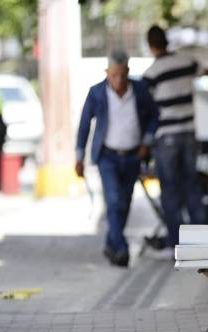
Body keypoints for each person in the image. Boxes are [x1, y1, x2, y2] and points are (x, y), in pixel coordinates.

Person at [142, 25, 208, 258]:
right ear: (167, 41)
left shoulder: (150, 75)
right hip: (190, 134)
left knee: (170, 190)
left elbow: (147, 111)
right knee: (192, 185)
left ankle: (176, 244)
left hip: (166, 137)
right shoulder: (186, 61)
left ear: (151, 46)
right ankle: (201, 242)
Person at [75, 50, 159, 267]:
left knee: (124, 202)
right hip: (108, 157)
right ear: (107, 73)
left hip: (132, 156)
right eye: (114, 75)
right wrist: (79, 156)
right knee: (113, 200)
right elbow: (84, 126)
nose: (118, 80)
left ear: (128, 72)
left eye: (122, 75)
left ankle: (111, 244)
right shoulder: (96, 93)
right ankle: (121, 249)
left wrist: (147, 143)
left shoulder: (140, 90)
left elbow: (153, 116)